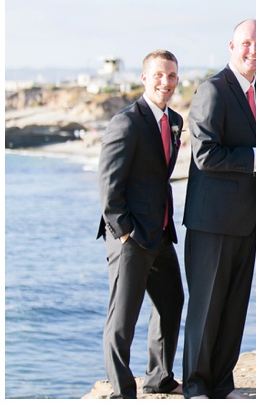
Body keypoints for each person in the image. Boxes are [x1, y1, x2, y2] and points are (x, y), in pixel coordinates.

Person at [182, 19, 256, 399]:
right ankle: (195, 387)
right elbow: (205, 154)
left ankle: (222, 384)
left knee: (233, 308)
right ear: (231, 46)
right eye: (247, 43)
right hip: (211, 222)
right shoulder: (212, 90)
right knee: (205, 308)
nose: (253, 51)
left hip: (245, 222)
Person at [97, 49, 185, 398]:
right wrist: (123, 230)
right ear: (144, 78)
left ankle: (159, 377)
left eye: (172, 75)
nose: (166, 81)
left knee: (172, 302)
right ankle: (122, 391)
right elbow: (109, 182)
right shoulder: (127, 121)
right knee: (123, 317)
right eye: (159, 75)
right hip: (131, 236)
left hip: (161, 232)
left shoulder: (175, 120)